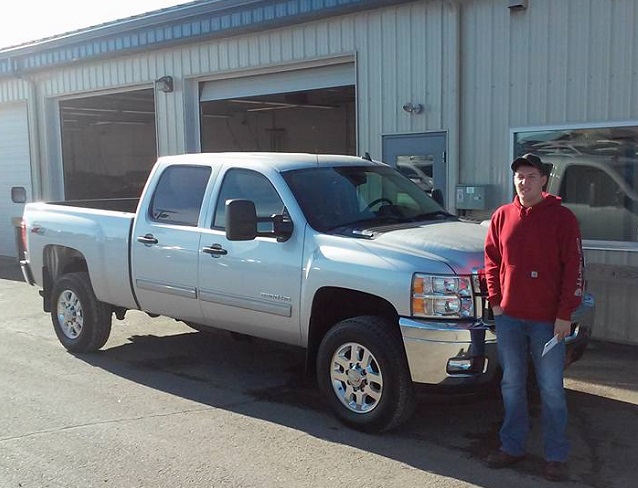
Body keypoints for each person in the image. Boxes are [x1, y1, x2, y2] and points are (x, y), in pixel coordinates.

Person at [483, 153, 584, 482]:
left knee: (551, 388)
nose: (523, 182)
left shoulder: (563, 219)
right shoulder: (502, 217)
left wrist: (564, 314)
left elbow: (574, 269)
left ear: (543, 180)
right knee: (512, 384)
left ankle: (555, 455)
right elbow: (491, 262)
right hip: (509, 318)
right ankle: (512, 446)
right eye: (518, 177)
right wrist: (496, 302)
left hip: (548, 323)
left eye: (529, 176)